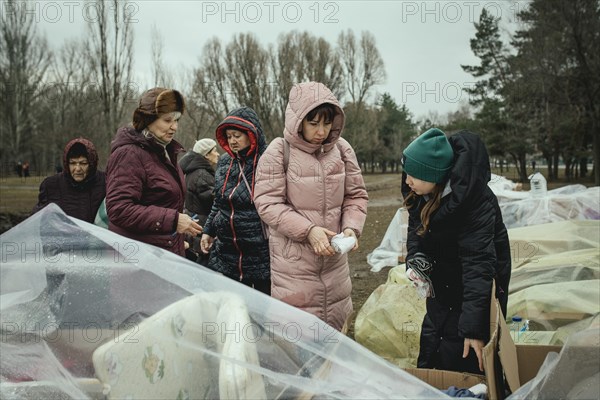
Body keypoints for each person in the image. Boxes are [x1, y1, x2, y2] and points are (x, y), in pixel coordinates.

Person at [253, 82, 368, 331]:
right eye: (313, 123)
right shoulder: (278, 152)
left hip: (335, 267)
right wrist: (309, 230)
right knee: (297, 347)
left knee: (334, 347)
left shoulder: (343, 150)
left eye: (327, 123)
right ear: (298, 121)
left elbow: (356, 195)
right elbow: (267, 203)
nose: (321, 131)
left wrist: (351, 228)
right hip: (293, 269)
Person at [400, 127, 511, 374]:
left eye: (414, 175)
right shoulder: (420, 194)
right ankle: (431, 378)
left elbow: (479, 266)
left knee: (464, 347)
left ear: (435, 175)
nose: (407, 180)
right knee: (435, 333)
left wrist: (474, 329)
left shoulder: (476, 201)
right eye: (406, 172)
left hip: (476, 285)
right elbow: (415, 232)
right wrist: (416, 258)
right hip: (444, 280)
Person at [105, 87, 202, 257]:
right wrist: (173, 220)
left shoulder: (164, 151)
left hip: (162, 254)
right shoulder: (129, 153)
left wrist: (180, 239)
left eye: (177, 120)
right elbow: (119, 209)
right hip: (138, 260)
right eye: (167, 120)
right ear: (147, 119)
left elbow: (166, 204)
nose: (174, 127)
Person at [200, 107, 270, 294]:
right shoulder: (224, 162)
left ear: (251, 134)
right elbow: (219, 202)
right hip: (229, 250)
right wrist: (208, 230)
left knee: (265, 309)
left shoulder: (269, 160)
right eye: (229, 136)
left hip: (261, 251)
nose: (232, 141)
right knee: (238, 307)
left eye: (237, 135)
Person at [33, 138, 106, 223]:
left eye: (83, 163)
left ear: (92, 163)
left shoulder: (105, 182)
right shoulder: (51, 185)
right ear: (66, 164)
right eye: (72, 163)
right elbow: (40, 220)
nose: (78, 169)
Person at [179, 138, 219, 262]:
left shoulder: (194, 171)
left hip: (194, 224)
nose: (218, 154)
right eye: (215, 150)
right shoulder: (202, 174)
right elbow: (215, 202)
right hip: (201, 228)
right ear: (206, 154)